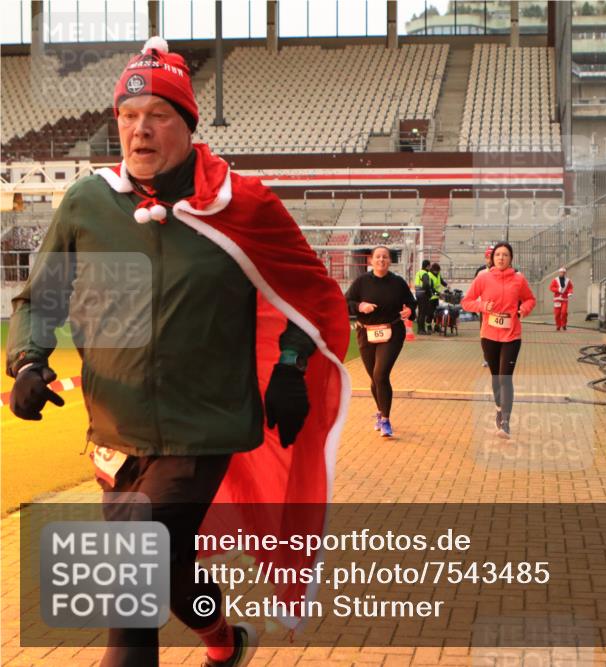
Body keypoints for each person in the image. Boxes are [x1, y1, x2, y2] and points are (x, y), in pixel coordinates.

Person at [4, 37, 351, 667]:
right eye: (128, 116)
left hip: (204, 427)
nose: (139, 130)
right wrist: (29, 360)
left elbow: (308, 291)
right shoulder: (87, 202)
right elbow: (41, 298)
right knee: (168, 568)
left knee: (129, 574)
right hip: (115, 430)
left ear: (188, 125)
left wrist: (292, 366)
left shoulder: (244, 203)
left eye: (158, 115)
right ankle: (225, 640)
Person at [461, 242, 536, 438]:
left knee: (505, 377)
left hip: (512, 335)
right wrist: (482, 306)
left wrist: (524, 309)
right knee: (496, 377)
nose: (501, 258)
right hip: (489, 336)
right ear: (492, 258)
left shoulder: (519, 279)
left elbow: (530, 299)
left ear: (511, 259)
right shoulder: (483, 278)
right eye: (498, 255)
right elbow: (466, 302)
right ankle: (498, 408)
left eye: (505, 255)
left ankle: (505, 422)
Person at [344, 246, 415, 438]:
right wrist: (360, 306)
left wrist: (409, 311)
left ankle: (385, 419)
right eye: (378, 257)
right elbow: (346, 302)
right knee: (374, 377)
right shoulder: (361, 282)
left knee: (380, 374)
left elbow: (411, 302)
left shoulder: (398, 282)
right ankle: (380, 411)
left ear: (389, 261)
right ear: (371, 260)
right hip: (366, 334)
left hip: (392, 333)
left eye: (385, 257)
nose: (381, 260)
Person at [549, 267, 573, 331]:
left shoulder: (568, 280)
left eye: (563, 272)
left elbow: (570, 287)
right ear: (559, 273)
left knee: (564, 312)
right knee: (557, 314)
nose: (562, 273)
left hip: (565, 299)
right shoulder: (555, 280)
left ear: (565, 273)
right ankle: (558, 325)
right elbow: (551, 287)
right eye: (561, 272)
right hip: (557, 299)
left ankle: (564, 325)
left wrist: (570, 293)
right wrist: (557, 289)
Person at [413, 259, 432, 334]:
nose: (430, 267)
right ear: (427, 266)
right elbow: (426, 284)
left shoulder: (419, 272)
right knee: (423, 313)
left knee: (420, 312)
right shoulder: (425, 273)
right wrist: (429, 293)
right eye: (429, 266)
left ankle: (420, 329)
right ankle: (421, 330)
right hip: (423, 294)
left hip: (418, 294)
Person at [428, 262, 447, 333]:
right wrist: (439, 294)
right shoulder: (429, 276)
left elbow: (442, 281)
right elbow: (431, 289)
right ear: (433, 270)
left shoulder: (438, 274)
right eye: (437, 271)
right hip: (430, 297)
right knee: (430, 313)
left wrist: (446, 285)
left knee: (437, 312)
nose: (438, 272)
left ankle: (437, 326)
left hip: (436, 297)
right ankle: (429, 327)